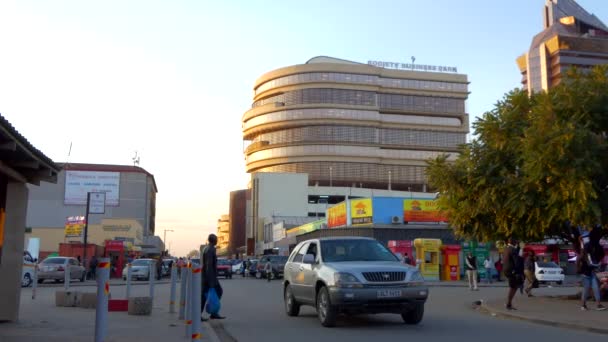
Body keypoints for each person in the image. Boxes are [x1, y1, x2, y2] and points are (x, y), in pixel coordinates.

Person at [201, 234, 225, 321]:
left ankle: (213, 312)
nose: (217, 240)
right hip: (209, 277)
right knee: (213, 293)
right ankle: (211, 312)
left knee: (206, 295)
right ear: (213, 240)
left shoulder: (206, 248)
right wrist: (211, 281)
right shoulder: (210, 249)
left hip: (207, 277)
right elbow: (209, 265)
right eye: (216, 239)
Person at [503, 238, 524, 310]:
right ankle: (508, 304)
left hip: (506, 270)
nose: (516, 243)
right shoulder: (512, 250)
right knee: (513, 287)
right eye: (515, 241)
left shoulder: (506, 248)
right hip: (512, 271)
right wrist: (517, 271)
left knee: (514, 286)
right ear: (513, 242)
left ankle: (509, 303)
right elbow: (517, 261)